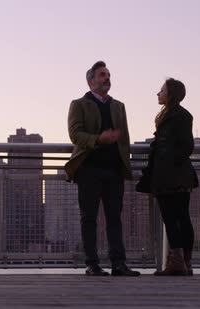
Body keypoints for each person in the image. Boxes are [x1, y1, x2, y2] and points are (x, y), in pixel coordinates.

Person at [65, 61, 140, 277]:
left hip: (114, 170)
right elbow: (75, 134)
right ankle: (92, 264)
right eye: (102, 75)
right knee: (89, 218)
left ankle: (119, 264)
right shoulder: (78, 104)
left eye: (108, 75)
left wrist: (124, 162)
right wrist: (99, 139)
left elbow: (124, 138)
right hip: (89, 169)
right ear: (91, 81)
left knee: (115, 218)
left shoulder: (119, 106)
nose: (107, 78)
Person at [148, 78, 198, 276]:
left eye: (161, 91)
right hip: (177, 175)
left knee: (173, 218)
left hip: (170, 175)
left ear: (170, 94)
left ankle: (178, 263)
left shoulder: (179, 116)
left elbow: (186, 146)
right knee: (181, 217)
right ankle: (184, 262)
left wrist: (166, 160)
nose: (158, 94)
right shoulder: (174, 115)